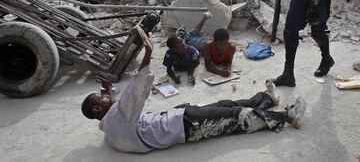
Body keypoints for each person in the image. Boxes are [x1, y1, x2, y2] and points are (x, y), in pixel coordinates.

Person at [81, 28, 307, 153]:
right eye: (102, 98)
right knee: (234, 116)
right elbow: (136, 89)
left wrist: (109, 91)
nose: (107, 97)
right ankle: (287, 116)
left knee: (226, 105)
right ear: (98, 107)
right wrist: (149, 53)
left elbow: (115, 106)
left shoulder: (109, 128)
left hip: (180, 119)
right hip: (183, 124)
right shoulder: (118, 114)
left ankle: (267, 98)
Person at [175, 12, 236, 78]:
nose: (223, 47)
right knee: (188, 38)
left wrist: (227, 68)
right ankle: (181, 32)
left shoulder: (232, 48)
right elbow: (208, 66)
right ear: (215, 43)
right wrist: (221, 72)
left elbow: (229, 61)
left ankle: (204, 20)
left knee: (196, 33)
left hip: (208, 38)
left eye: (225, 44)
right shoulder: (207, 46)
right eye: (220, 45)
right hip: (200, 42)